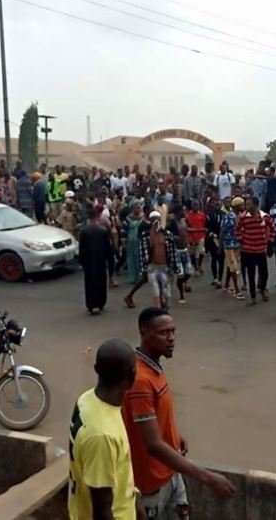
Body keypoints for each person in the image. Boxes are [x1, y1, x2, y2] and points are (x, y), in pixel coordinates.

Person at [122, 308, 236, 519]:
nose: (172, 338)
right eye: (164, 333)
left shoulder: (153, 366)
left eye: (173, 332)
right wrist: (207, 477)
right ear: (144, 332)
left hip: (171, 472)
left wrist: (173, 436)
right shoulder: (140, 381)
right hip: (152, 486)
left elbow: (155, 419)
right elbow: (153, 445)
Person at [68, 339, 141, 520]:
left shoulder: (87, 399)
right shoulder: (103, 436)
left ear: (96, 369)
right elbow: (101, 510)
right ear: (133, 375)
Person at [236, 196, 274, 305]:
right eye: (246, 204)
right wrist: (241, 240)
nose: (246, 207)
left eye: (248, 204)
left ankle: (262, 289)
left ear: (255, 205)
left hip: (261, 250)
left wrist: (270, 241)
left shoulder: (265, 217)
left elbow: (272, 227)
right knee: (251, 274)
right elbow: (237, 229)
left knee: (264, 273)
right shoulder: (243, 217)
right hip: (248, 251)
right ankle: (253, 296)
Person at [79, 208, 114, 315]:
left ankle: (90, 305)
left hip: (88, 263)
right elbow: (108, 249)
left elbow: (81, 249)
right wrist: (110, 263)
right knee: (101, 283)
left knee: (89, 283)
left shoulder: (84, 231)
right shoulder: (102, 231)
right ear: (97, 217)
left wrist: (82, 262)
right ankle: (100, 303)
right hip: (100, 262)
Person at [138, 211, 177, 310]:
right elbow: (143, 253)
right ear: (150, 221)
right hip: (152, 267)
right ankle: (158, 310)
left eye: (158, 219)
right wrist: (143, 270)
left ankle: (164, 305)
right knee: (155, 290)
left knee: (167, 294)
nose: (156, 222)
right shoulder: (146, 236)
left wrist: (174, 267)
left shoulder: (167, 234)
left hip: (164, 267)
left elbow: (172, 251)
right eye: (154, 219)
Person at [220, 196, 244, 300]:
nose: (243, 206)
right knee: (234, 266)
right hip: (229, 244)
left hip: (236, 244)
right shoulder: (229, 216)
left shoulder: (238, 215)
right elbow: (222, 230)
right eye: (242, 204)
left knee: (231, 264)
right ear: (238, 206)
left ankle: (226, 285)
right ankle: (237, 290)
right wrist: (220, 246)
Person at [185, 200, 206, 276]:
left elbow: (204, 225)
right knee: (193, 254)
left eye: (196, 205)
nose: (195, 206)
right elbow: (187, 228)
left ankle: (199, 265)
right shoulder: (188, 216)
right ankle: (196, 268)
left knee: (201, 252)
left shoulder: (202, 214)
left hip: (200, 236)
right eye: (194, 204)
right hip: (191, 237)